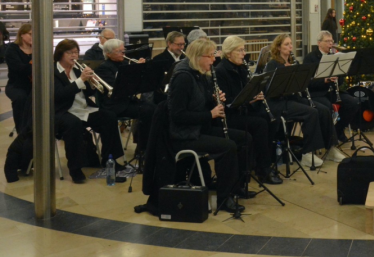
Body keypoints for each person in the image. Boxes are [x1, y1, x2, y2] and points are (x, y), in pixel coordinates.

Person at [167, 38, 251, 214]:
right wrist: (210, 114)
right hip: (185, 136)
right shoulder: (183, 78)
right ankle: (224, 197)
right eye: (210, 56)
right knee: (228, 146)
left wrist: (213, 99)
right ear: (198, 57)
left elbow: (199, 103)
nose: (214, 60)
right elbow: (178, 116)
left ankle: (236, 185)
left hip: (199, 129)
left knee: (245, 137)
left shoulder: (200, 73)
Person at [264, 34, 343, 167]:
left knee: (323, 109)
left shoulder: (293, 62)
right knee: (311, 112)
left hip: (293, 98)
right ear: (278, 47)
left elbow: (305, 81)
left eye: (290, 44)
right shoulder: (273, 64)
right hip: (279, 102)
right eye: (286, 44)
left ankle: (331, 148)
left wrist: (322, 80)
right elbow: (271, 89)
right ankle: (308, 153)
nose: (290, 47)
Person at [53, 39, 125, 184]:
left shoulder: (77, 69)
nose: (74, 55)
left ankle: (110, 160)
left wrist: (92, 83)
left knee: (109, 117)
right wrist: (81, 80)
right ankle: (75, 168)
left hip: (83, 109)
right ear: (60, 54)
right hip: (62, 111)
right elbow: (59, 95)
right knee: (73, 124)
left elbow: (88, 92)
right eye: (70, 52)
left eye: (76, 52)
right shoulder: (53, 71)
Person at [214, 36, 282, 185]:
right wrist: (249, 99)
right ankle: (263, 169)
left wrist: (256, 95)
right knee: (259, 124)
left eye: (243, 50)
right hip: (230, 116)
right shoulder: (220, 71)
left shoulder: (242, 68)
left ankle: (263, 160)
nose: (244, 53)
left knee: (271, 118)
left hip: (243, 109)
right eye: (240, 50)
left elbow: (247, 91)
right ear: (229, 52)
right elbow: (229, 101)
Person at [97, 39, 155, 155]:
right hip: (114, 105)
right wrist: (134, 71)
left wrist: (141, 70)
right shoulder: (104, 68)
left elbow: (138, 86)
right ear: (108, 53)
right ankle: (143, 149)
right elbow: (118, 89)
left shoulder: (124, 63)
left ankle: (144, 146)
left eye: (123, 51)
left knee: (153, 108)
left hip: (127, 101)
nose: (123, 54)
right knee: (147, 110)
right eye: (119, 52)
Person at [303, 30, 359, 143]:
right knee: (327, 108)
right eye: (327, 41)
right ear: (319, 43)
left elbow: (341, 79)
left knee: (352, 103)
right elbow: (308, 82)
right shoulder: (310, 58)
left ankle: (338, 130)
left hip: (332, 91)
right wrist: (324, 80)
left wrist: (338, 77)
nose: (330, 44)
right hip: (318, 93)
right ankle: (329, 138)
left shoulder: (334, 57)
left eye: (331, 41)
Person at [4, 24, 33, 133]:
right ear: (22, 34)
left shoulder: (37, 49)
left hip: (33, 86)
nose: (33, 37)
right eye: (30, 34)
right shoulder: (12, 49)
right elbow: (20, 69)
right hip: (16, 85)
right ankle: (22, 132)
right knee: (20, 98)